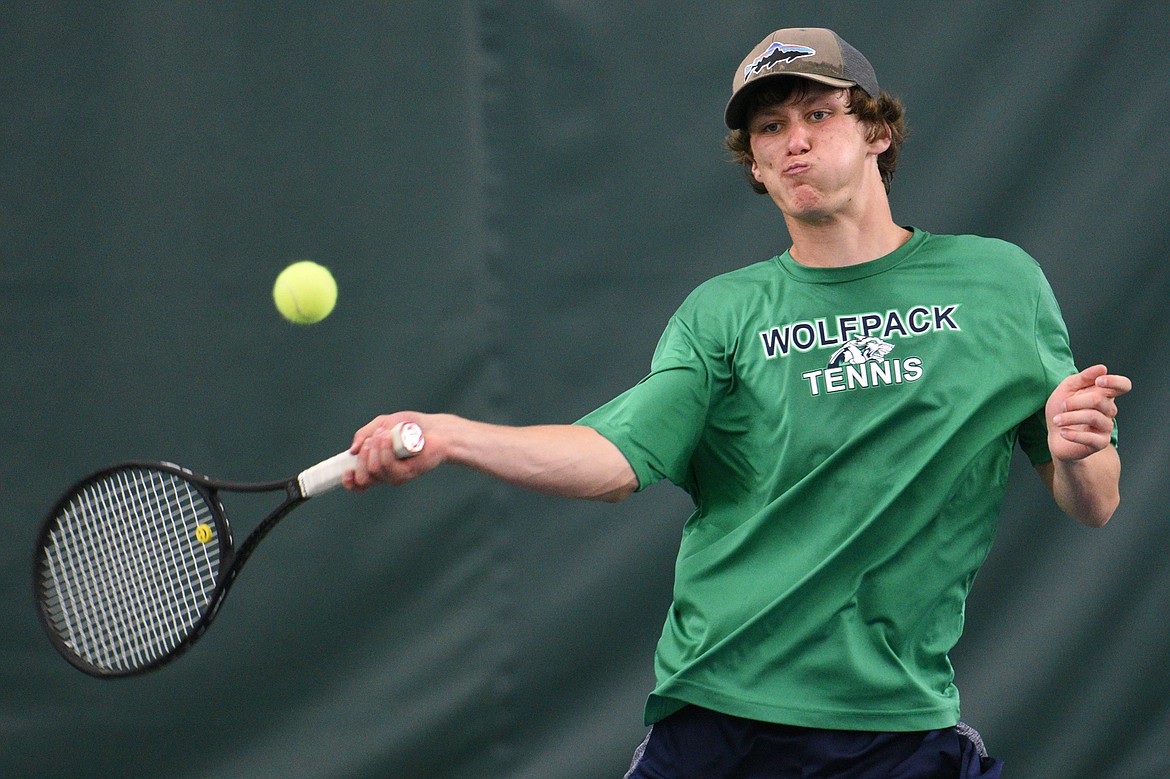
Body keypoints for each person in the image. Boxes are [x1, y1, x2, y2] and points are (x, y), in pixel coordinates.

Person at [342, 26, 1130, 778]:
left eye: (820, 115)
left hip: (897, 724)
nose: (795, 140)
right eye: (769, 127)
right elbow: (613, 460)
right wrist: (452, 434)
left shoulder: (1000, 284)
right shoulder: (722, 314)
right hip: (723, 716)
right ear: (753, 164)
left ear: (876, 133)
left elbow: (1093, 502)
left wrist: (1078, 446)